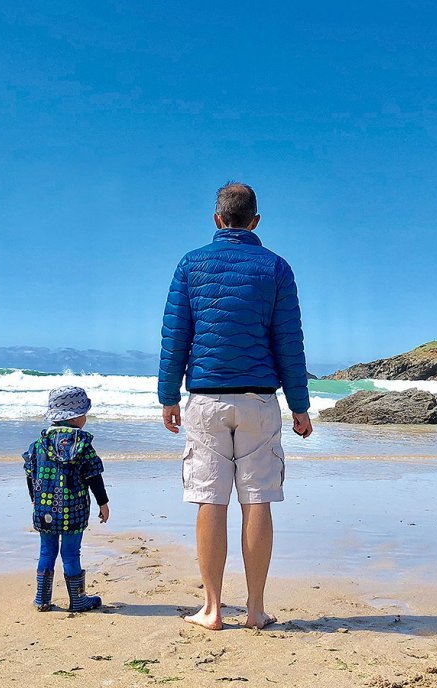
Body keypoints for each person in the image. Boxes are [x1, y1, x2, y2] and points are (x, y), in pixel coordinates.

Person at [158, 182, 313, 630]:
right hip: (258, 400)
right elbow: (289, 342)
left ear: (217, 219)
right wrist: (299, 405)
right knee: (258, 499)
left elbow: (176, 336)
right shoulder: (276, 267)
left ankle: (211, 609)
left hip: (206, 399)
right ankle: (256, 609)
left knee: (210, 499)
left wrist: (169, 396)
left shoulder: (191, 264)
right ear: (255, 221)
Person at [22, 385, 110, 612]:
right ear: (75, 417)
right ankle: (78, 600)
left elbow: (30, 474)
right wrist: (103, 503)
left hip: (44, 509)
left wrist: (34, 499)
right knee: (71, 553)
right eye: (84, 413)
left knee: (46, 551)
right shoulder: (83, 445)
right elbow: (94, 476)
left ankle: (42, 599)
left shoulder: (39, 444)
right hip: (74, 510)